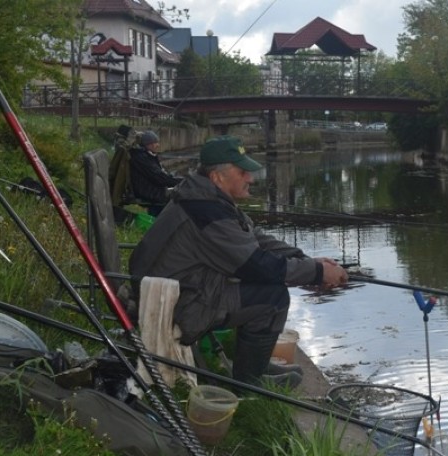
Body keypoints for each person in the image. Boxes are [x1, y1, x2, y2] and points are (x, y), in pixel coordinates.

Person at [128, 135, 348, 388]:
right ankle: (248, 384)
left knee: (269, 287)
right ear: (217, 176)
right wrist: (318, 273)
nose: (251, 179)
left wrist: (306, 261)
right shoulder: (207, 212)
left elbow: (255, 238)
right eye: (243, 172)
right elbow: (258, 266)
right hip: (178, 302)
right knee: (273, 299)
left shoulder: (206, 198)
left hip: (183, 286)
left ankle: (255, 366)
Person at [129, 131, 180, 216]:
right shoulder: (142, 158)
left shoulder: (144, 155)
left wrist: (174, 180)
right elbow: (159, 178)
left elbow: (159, 175)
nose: (158, 145)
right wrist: (180, 181)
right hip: (148, 192)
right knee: (179, 196)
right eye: (155, 143)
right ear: (149, 144)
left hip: (150, 188)